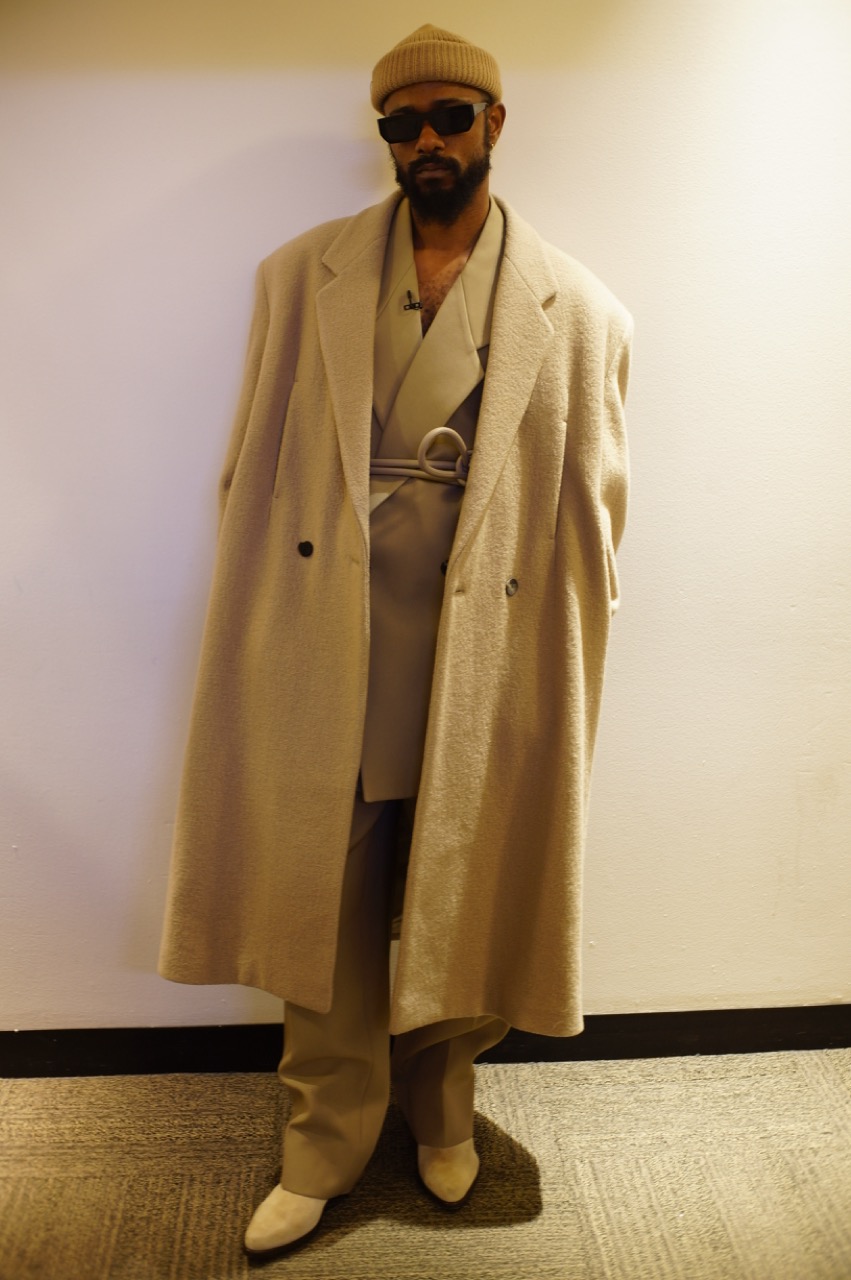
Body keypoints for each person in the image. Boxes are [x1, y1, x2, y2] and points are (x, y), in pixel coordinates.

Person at [158, 23, 633, 1258]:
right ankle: (323, 1135)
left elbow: (593, 508)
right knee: (323, 888)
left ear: (492, 124)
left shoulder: (580, 309)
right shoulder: (297, 276)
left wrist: (569, 648)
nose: (425, 141)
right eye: (401, 123)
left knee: (459, 872)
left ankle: (440, 1102)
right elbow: (251, 463)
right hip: (329, 631)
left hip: (483, 642)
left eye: (448, 118)